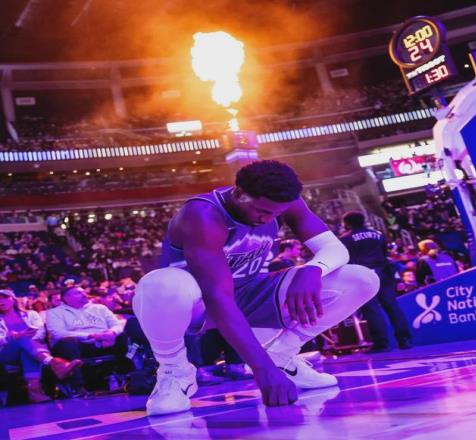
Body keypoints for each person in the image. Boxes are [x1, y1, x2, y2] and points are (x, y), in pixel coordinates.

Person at [133, 160, 379, 416]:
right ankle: (174, 371)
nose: (268, 219)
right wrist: (262, 370)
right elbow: (218, 297)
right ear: (239, 193)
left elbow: (335, 248)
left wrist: (313, 269)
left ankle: (281, 355)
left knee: (362, 279)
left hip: (249, 292)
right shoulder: (203, 214)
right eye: (262, 211)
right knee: (160, 283)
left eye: (275, 213)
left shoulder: (283, 202)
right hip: (196, 305)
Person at [340, 211, 413, 352]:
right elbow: (385, 255)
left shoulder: (345, 238)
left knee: (371, 310)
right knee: (392, 307)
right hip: (384, 274)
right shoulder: (378, 235)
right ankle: (405, 340)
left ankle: (381, 343)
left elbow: (346, 260)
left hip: (363, 276)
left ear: (347, 223)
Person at [0, 289, 82, 403]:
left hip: (31, 349)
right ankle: (54, 364)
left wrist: (25, 336)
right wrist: (10, 336)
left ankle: (35, 391)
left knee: (26, 351)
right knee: (24, 341)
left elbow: (40, 332)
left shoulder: (31, 314)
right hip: (6, 352)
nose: (1, 301)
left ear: (13, 299)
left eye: (4, 298)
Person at [45, 286, 127, 396]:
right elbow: (58, 333)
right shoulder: (54, 312)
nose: (84, 294)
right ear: (66, 298)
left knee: (124, 335)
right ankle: (78, 387)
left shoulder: (100, 308)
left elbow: (117, 324)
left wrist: (112, 333)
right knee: (68, 342)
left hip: (105, 341)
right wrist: (91, 336)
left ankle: (127, 377)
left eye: (84, 292)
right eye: (78, 293)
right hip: (79, 344)